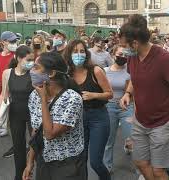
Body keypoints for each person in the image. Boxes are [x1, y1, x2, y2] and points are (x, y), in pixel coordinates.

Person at [119, 14, 169, 180]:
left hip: (163, 122)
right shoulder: (132, 56)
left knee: (159, 170)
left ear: (135, 43)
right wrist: (128, 93)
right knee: (139, 161)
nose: (122, 49)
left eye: (125, 45)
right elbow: (134, 77)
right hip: (141, 120)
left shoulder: (164, 59)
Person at [23, 52, 86, 180]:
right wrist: (30, 162)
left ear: (51, 73)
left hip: (67, 165)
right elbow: (36, 131)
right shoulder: (34, 95)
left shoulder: (72, 99)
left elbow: (50, 134)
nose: (32, 71)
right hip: (44, 161)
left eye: (36, 67)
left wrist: (43, 100)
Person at [64, 39, 113, 180]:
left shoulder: (95, 71)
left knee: (96, 162)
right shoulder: (67, 74)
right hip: (77, 120)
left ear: (86, 53)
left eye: (81, 51)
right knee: (80, 160)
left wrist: (93, 95)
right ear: (69, 54)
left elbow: (109, 94)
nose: (78, 54)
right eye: (74, 52)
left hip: (98, 118)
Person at [0, 45, 34, 180]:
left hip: (33, 114)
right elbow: (3, 95)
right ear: (19, 58)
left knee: (36, 146)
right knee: (19, 148)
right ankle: (19, 176)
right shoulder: (8, 73)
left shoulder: (34, 72)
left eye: (33, 59)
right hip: (15, 114)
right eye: (29, 59)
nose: (31, 62)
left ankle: (34, 171)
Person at [103, 45, 134, 173]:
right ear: (113, 54)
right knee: (109, 139)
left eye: (125, 55)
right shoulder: (104, 71)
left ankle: (139, 169)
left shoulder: (131, 71)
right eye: (120, 54)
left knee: (132, 139)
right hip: (109, 107)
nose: (122, 57)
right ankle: (107, 167)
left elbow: (134, 89)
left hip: (126, 107)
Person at [0, 31, 18, 144]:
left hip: (14, 89)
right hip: (2, 89)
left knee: (14, 116)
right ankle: (5, 128)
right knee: (4, 110)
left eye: (14, 41)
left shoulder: (16, 55)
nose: (14, 43)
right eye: (11, 41)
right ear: (3, 42)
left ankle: (15, 141)